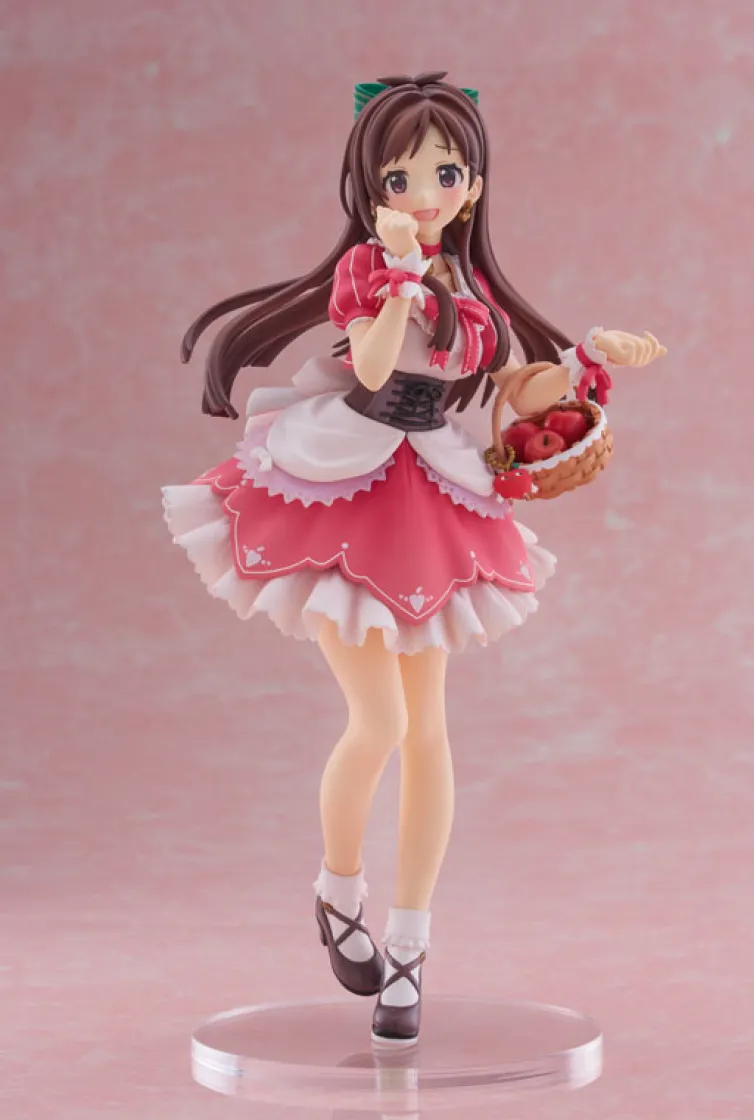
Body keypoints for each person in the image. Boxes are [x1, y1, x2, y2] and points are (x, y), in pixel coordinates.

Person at [163, 71, 666, 1046]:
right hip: (345, 478)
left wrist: (588, 364)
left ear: (471, 186)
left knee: (430, 733)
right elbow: (371, 360)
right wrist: (398, 270)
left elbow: (516, 386)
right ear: (371, 188)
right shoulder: (368, 269)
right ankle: (337, 885)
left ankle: (409, 945)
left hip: (433, 483)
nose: (424, 193)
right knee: (380, 718)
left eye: (444, 174)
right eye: (401, 177)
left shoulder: (472, 290)